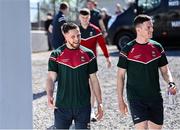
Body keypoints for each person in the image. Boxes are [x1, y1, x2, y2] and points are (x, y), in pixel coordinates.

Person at [116, 14, 177, 130]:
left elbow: (165, 70)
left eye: (152, 27)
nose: (152, 29)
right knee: (142, 127)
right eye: (148, 27)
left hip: (155, 97)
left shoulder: (157, 47)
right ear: (138, 29)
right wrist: (120, 100)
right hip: (136, 98)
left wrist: (171, 82)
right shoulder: (127, 50)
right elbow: (120, 76)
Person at [46, 22, 103, 129]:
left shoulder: (89, 54)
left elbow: (94, 80)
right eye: (73, 36)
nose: (77, 39)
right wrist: (49, 95)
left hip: (83, 106)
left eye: (79, 35)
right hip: (62, 106)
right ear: (65, 36)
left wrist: (100, 103)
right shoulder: (56, 54)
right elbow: (50, 78)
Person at [79, 8, 111, 122]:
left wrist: (107, 58)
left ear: (89, 17)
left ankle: (91, 110)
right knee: (79, 86)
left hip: (91, 61)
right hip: (77, 62)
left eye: (86, 17)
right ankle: (78, 111)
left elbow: (102, 44)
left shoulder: (96, 29)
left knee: (91, 85)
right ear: (79, 17)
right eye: (82, 17)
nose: (84, 19)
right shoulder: (75, 30)